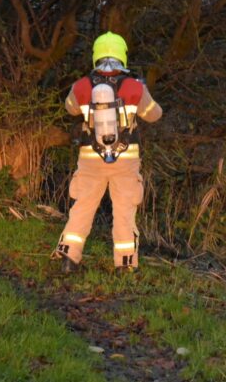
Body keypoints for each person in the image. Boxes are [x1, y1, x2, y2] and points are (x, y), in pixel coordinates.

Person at [52, 31, 163, 274]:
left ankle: (69, 258)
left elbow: (70, 109)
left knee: (82, 207)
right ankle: (125, 265)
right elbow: (155, 115)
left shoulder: (81, 86)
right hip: (126, 162)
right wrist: (141, 93)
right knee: (124, 211)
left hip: (90, 160)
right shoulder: (134, 87)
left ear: (96, 56)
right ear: (122, 55)